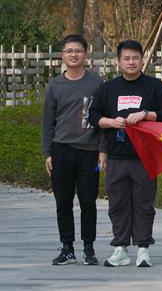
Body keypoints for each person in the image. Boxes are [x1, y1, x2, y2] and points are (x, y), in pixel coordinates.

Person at [88, 39, 162, 268]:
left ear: (142, 60)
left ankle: (143, 248)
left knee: (144, 203)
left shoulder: (155, 86)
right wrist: (110, 122)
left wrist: (146, 114)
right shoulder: (108, 88)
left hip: (145, 156)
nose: (131, 62)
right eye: (126, 58)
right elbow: (93, 115)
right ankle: (120, 248)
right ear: (118, 61)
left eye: (136, 58)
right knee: (118, 202)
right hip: (116, 156)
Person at [43, 34, 103, 266]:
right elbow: (48, 121)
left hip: (89, 151)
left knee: (88, 202)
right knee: (63, 202)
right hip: (61, 150)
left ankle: (89, 248)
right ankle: (67, 248)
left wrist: (102, 150)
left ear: (85, 54)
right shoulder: (55, 85)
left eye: (78, 51)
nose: (73, 55)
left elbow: (102, 119)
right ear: (63, 55)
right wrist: (47, 152)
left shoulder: (96, 83)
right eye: (69, 51)